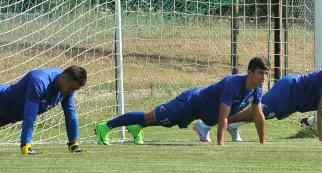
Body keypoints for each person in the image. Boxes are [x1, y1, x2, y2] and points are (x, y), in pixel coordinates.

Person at [95, 57, 269, 145]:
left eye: (265, 74)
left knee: (165, 123)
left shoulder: (257, 88)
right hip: (189, 103)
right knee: (150, 117)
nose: (263, 77)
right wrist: (220, 145)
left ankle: (137, 127)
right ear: (250, 72)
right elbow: (223, 117)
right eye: (260, 73)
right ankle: (105, 127)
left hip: (198, 112)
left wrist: (263, 143)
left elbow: (258, 115)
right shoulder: (233, 84)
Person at [0, 65, 87, 155]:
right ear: (64, 78)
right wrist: (26, 144)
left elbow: (71, 113)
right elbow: (30, 116)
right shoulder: (39, 81)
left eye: (74, 89)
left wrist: (74, 143)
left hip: (7, 116)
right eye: (71, 88)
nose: (71, 91)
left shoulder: (67, 90)